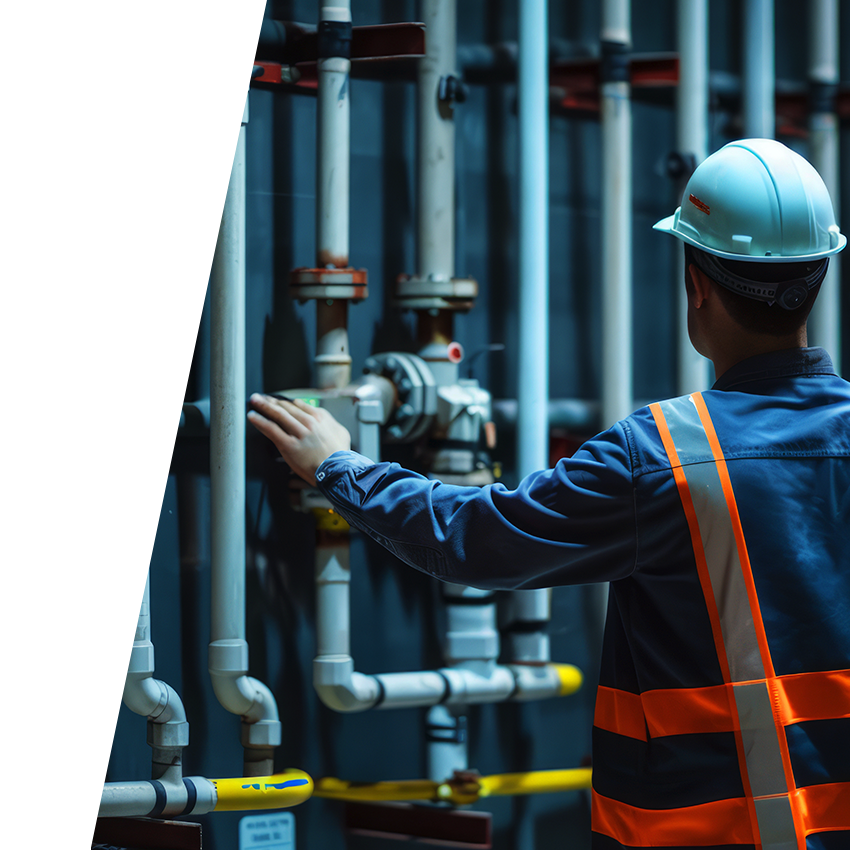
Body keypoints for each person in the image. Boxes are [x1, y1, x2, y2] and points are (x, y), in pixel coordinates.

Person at [247, 139, 850, 849]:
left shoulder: (664, 456)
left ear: (698, 284)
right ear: (817, 277)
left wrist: (339, 466)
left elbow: (474, 539)